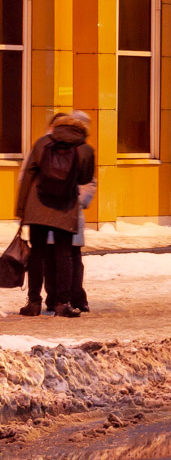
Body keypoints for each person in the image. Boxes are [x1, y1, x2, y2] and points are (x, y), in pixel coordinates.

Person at [15, 112, 94, 317]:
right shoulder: (85, 149)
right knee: (64, 255)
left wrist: (21, 209)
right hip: (65, 207)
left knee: (37, 254)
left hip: (37, 205)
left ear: (57, 126)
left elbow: (28, 175)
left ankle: (34, 303)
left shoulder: (42, 143)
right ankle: (62, 303)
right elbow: (85, 178)